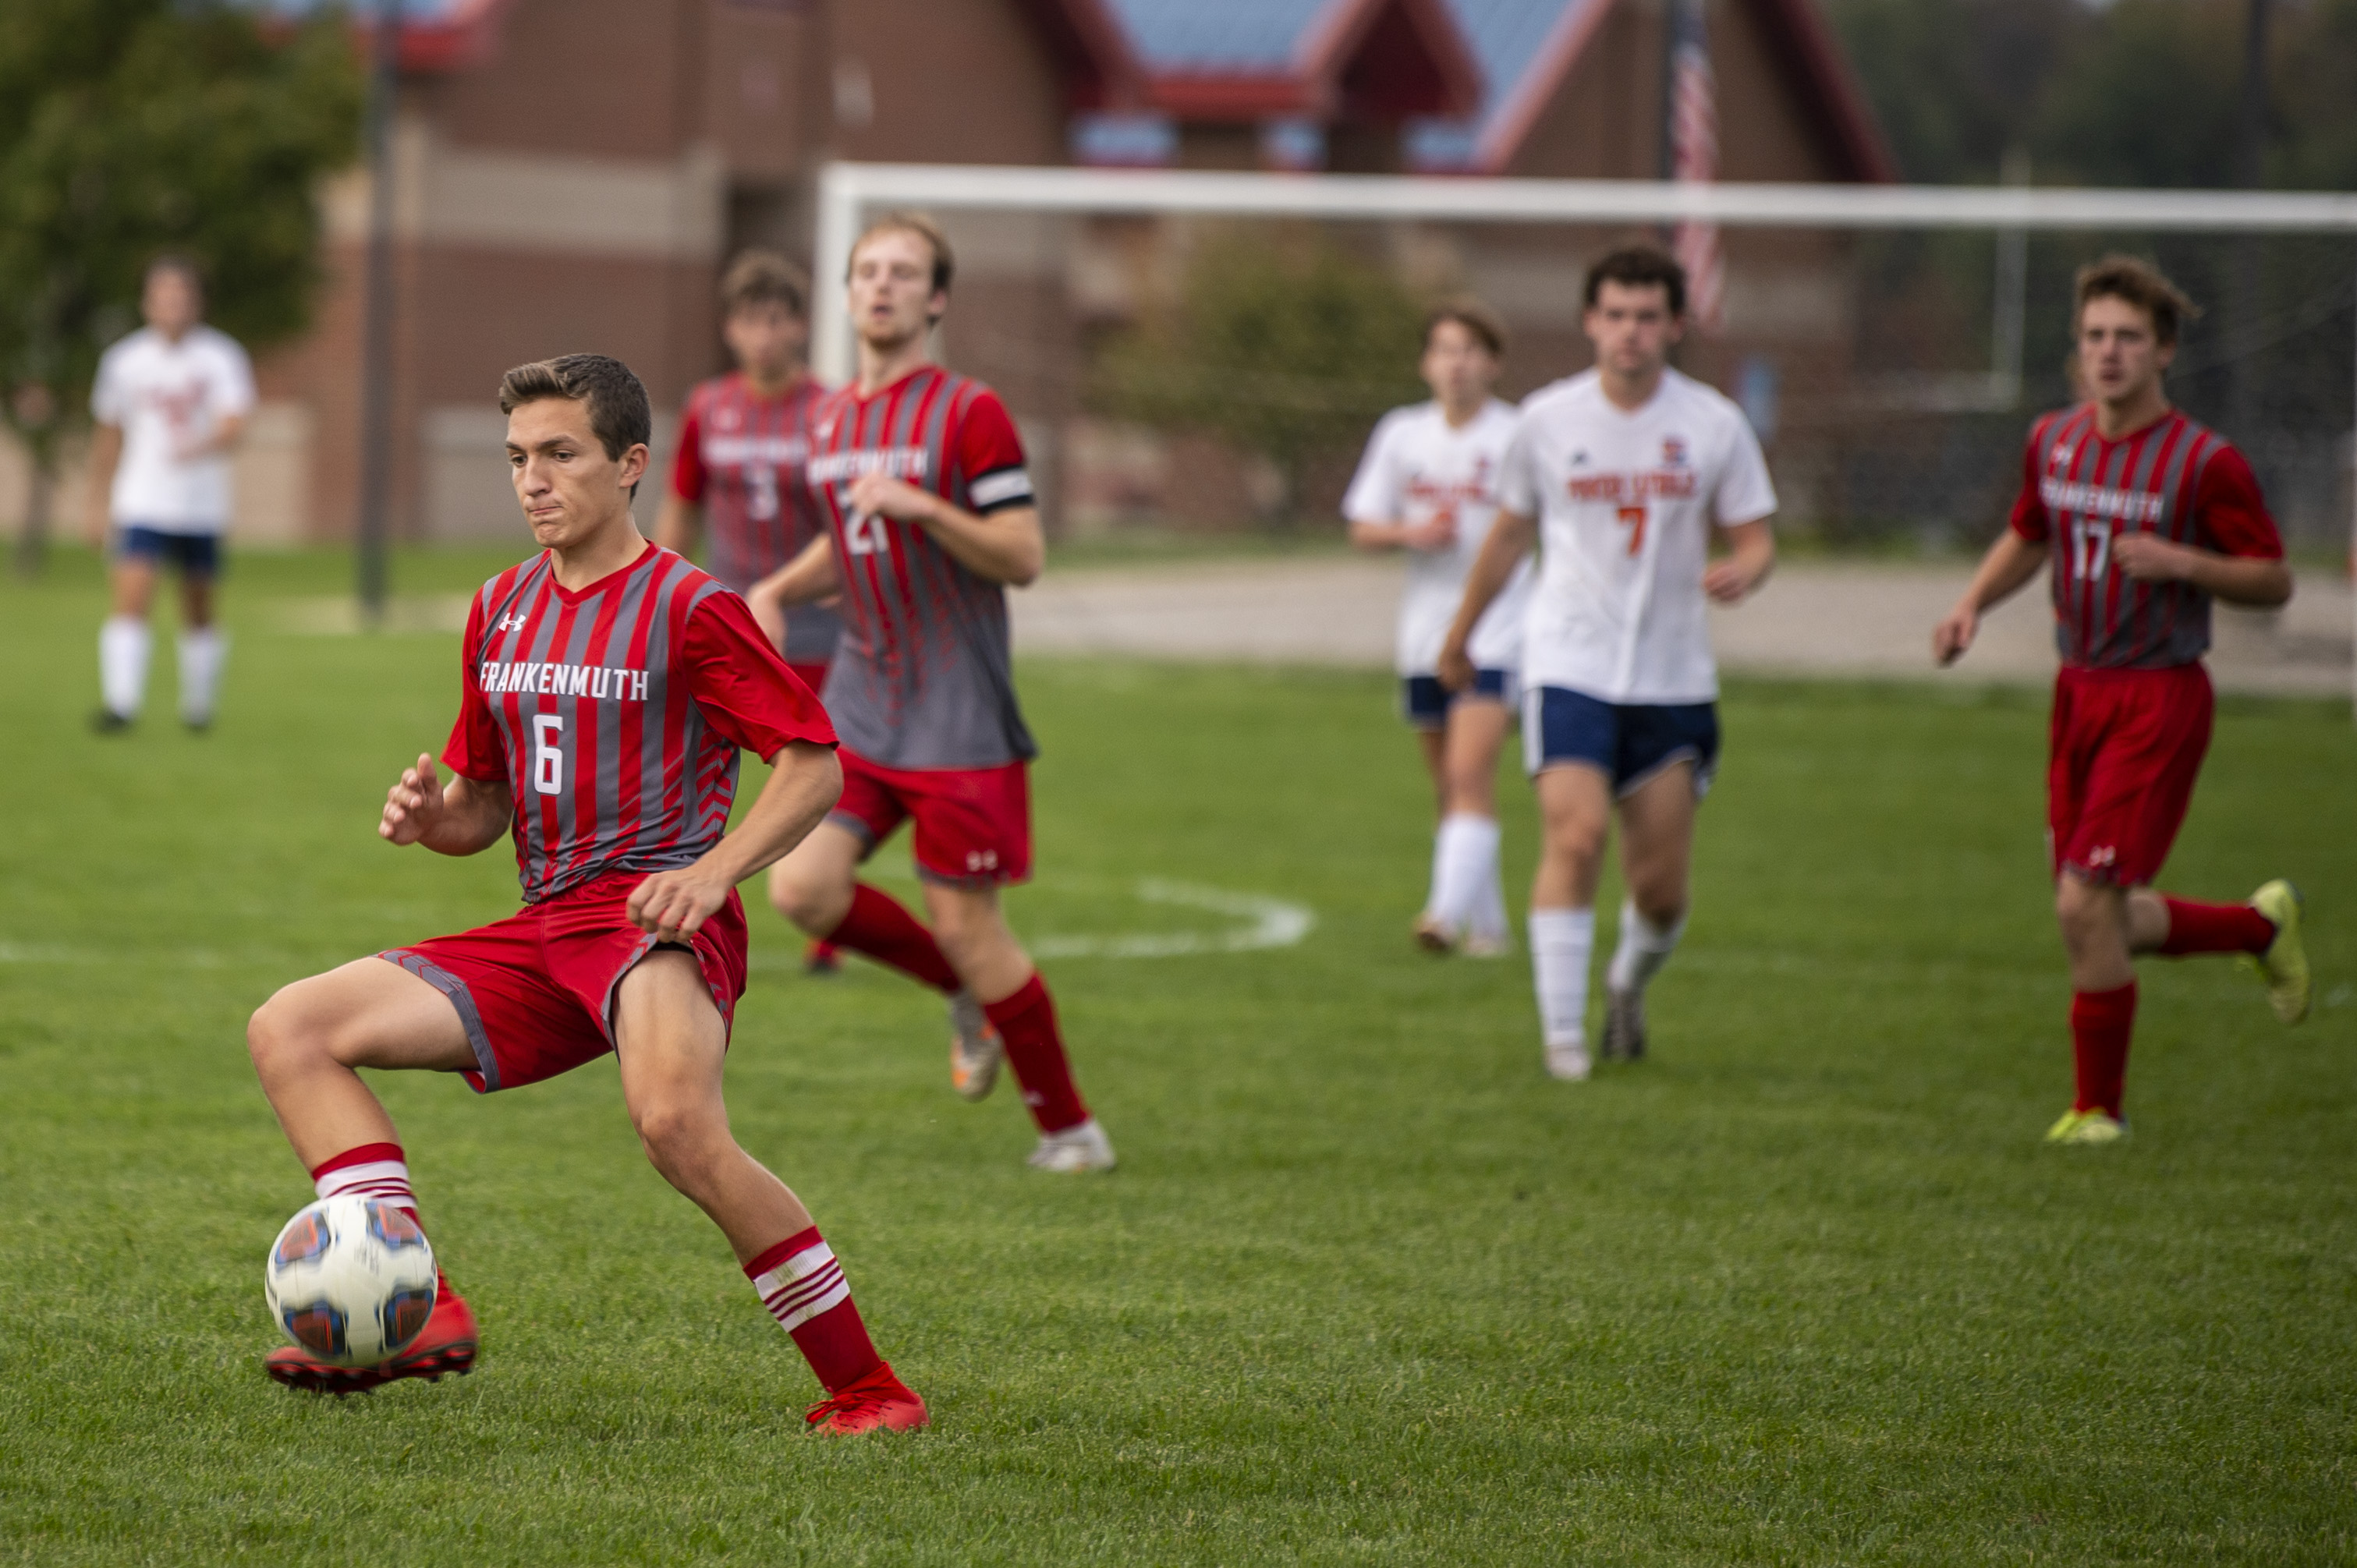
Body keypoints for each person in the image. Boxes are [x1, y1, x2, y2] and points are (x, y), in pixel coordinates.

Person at [245, 354, 927, 1434]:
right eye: (518, 458)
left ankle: (868, 1386)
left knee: (675, 1126)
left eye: (560, 454)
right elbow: (483, 810)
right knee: (292, 1026)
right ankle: (415, 1301)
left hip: (653, 925)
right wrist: (435, 819)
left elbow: (812, 763)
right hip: (543, 927)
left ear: (631, 464)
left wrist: (711, 874)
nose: (533, 481)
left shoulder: (689, 606)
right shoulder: (499, 607)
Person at [753, 211, 1115, 1173]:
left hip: (958, 719)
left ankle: (1071, 1129)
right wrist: (781, 589)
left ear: (936, 298)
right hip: (868, 705)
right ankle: (962, 992)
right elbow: (855, 541)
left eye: (903, 273)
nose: (881, 286)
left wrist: (925, 504)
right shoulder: (830, 419)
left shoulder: (968, 412)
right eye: (867, 271)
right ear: (847, 293)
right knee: (804, 886)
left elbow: (1023, 555)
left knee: (968, 920)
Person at [1932, 255, 2310, 1145]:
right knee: (2102, 911)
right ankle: (2260, 927)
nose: (2108, 353)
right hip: (2079, 693)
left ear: (2164, 350)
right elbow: (2031, 531)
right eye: (2095, 336)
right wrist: (1967, 606)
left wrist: (2189, 565)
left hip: (2158, 698)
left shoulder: (2204, 463)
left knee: (2079, 905)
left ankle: (2098, 1111)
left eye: (2128, 338)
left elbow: (2273, 580)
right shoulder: (2054, 441)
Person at [1440, 246, 1776, 1082]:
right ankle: (1561, 1040)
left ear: (1673, 325)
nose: (1630, 332)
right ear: (1591, 321)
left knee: (1659, 892)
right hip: (1567, 664)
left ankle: (1626, 980)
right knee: (1576, 832)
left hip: (1672, 678)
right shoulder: (1547, 422)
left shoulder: (1712, 424)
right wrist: (1462, 633)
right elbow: (1510, 533)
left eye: (1647, 316)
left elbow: (1755, 533)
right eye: (1616, 315)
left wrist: (1748, 568)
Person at [655, 250, 845, 975]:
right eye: (748, 319)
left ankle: (823, 919)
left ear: (798, 325)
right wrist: (661, 584)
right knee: (696, 764)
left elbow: (844, 518)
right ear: (729, 328)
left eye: (777, 318)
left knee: (808, 768)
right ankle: (683, 897)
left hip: (814, 624)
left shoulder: (830, 411)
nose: (763, 334)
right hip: (728, 622)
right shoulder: (709, 406)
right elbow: (684, 502)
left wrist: (818, 585)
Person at [1344, 300, 1529, 957]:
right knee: (1450, 785)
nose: (1458, 364)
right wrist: (1409, 531)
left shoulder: (1516, 435)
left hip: (1500, 629)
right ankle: (1492, 927)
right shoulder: (1402, 434)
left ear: (1494, 363)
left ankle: (1443, 915)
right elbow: (1362, 524)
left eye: (1472, 350)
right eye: (1446, 350)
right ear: (1427, 363)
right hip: (1423, 632)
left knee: (1471, 771)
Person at [84, 256, 253, 733]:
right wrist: (96, 501)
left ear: (197, 302)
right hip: (142, 500)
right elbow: (108, 434)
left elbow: (235, 424)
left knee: (198, 605)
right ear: (147, 302)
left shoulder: (222, 357)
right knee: (132, 596)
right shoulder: (124, 360)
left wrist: (199, 445)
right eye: (162, 295)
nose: (172, 304)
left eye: (182, 295)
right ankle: (122, 705)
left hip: (201, 504)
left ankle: (198, 708)